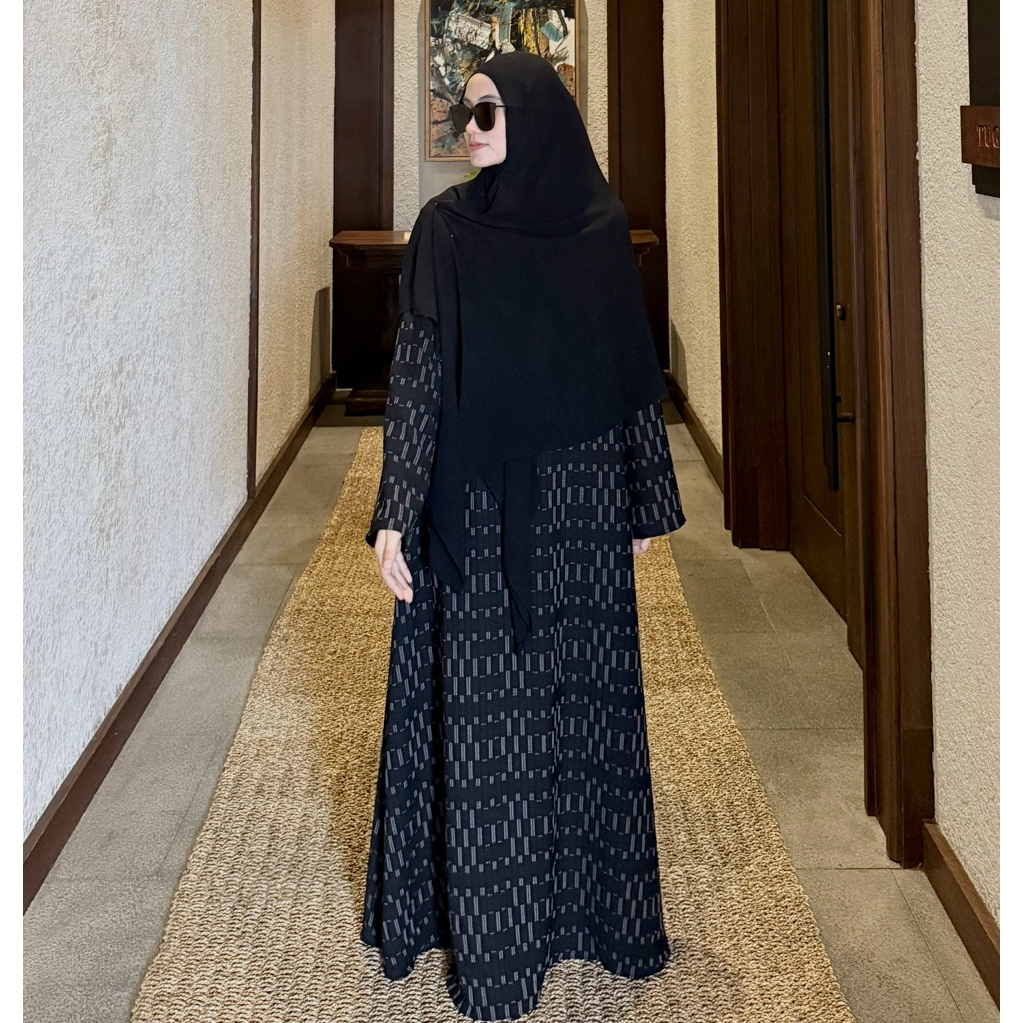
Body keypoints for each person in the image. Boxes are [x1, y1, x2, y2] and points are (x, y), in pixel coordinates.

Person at [360, 50, 685, 1022]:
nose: (468, 131)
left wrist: (644, 496)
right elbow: (418, 372)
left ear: (535, 119)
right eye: (462, 113)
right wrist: (395, 508)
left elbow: (629, 371)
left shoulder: (598, 227)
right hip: (475, 504)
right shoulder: (445, 230)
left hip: (582, 505)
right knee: (486, 715)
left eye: (487, 113)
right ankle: (495, 952)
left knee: (582, 710)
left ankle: (593, 916)